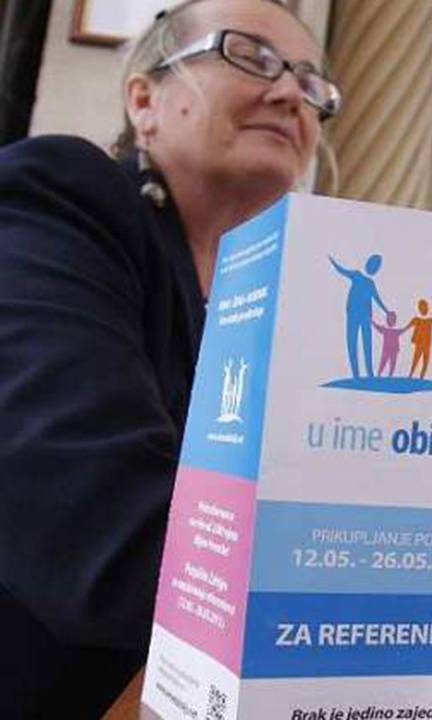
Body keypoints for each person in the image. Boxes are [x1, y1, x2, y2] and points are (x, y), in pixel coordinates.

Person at [0, 0, 339, 715]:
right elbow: (96, 532)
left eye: (311, 83)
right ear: (144, 99)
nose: (290, 93)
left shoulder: (276, 295)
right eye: (251, 55)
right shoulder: (62, 197)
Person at [330, 253, 391, 378]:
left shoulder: (368, 282)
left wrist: (386, 311)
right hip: (354, 314)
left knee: (364, 343)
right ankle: (356, 374)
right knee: (353, 342)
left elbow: (377, 299)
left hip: (364, 316)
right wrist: (332, 261)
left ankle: (368, 372)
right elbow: (342, 270)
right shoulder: (357, 275)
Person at [373, 309, 411, 377]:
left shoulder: (396, 330)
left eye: (393, 318)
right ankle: (378, 375)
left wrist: (411, 325)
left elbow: (404, 329)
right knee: (383, 362)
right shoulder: (384, 329)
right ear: (388, 319)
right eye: (390, 318)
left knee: (393, 363)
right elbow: (376, 326)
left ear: (395, 320)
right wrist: (371, 321)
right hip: (386, 349)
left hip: (394, 349)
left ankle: (390, 376)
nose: (391, 320)